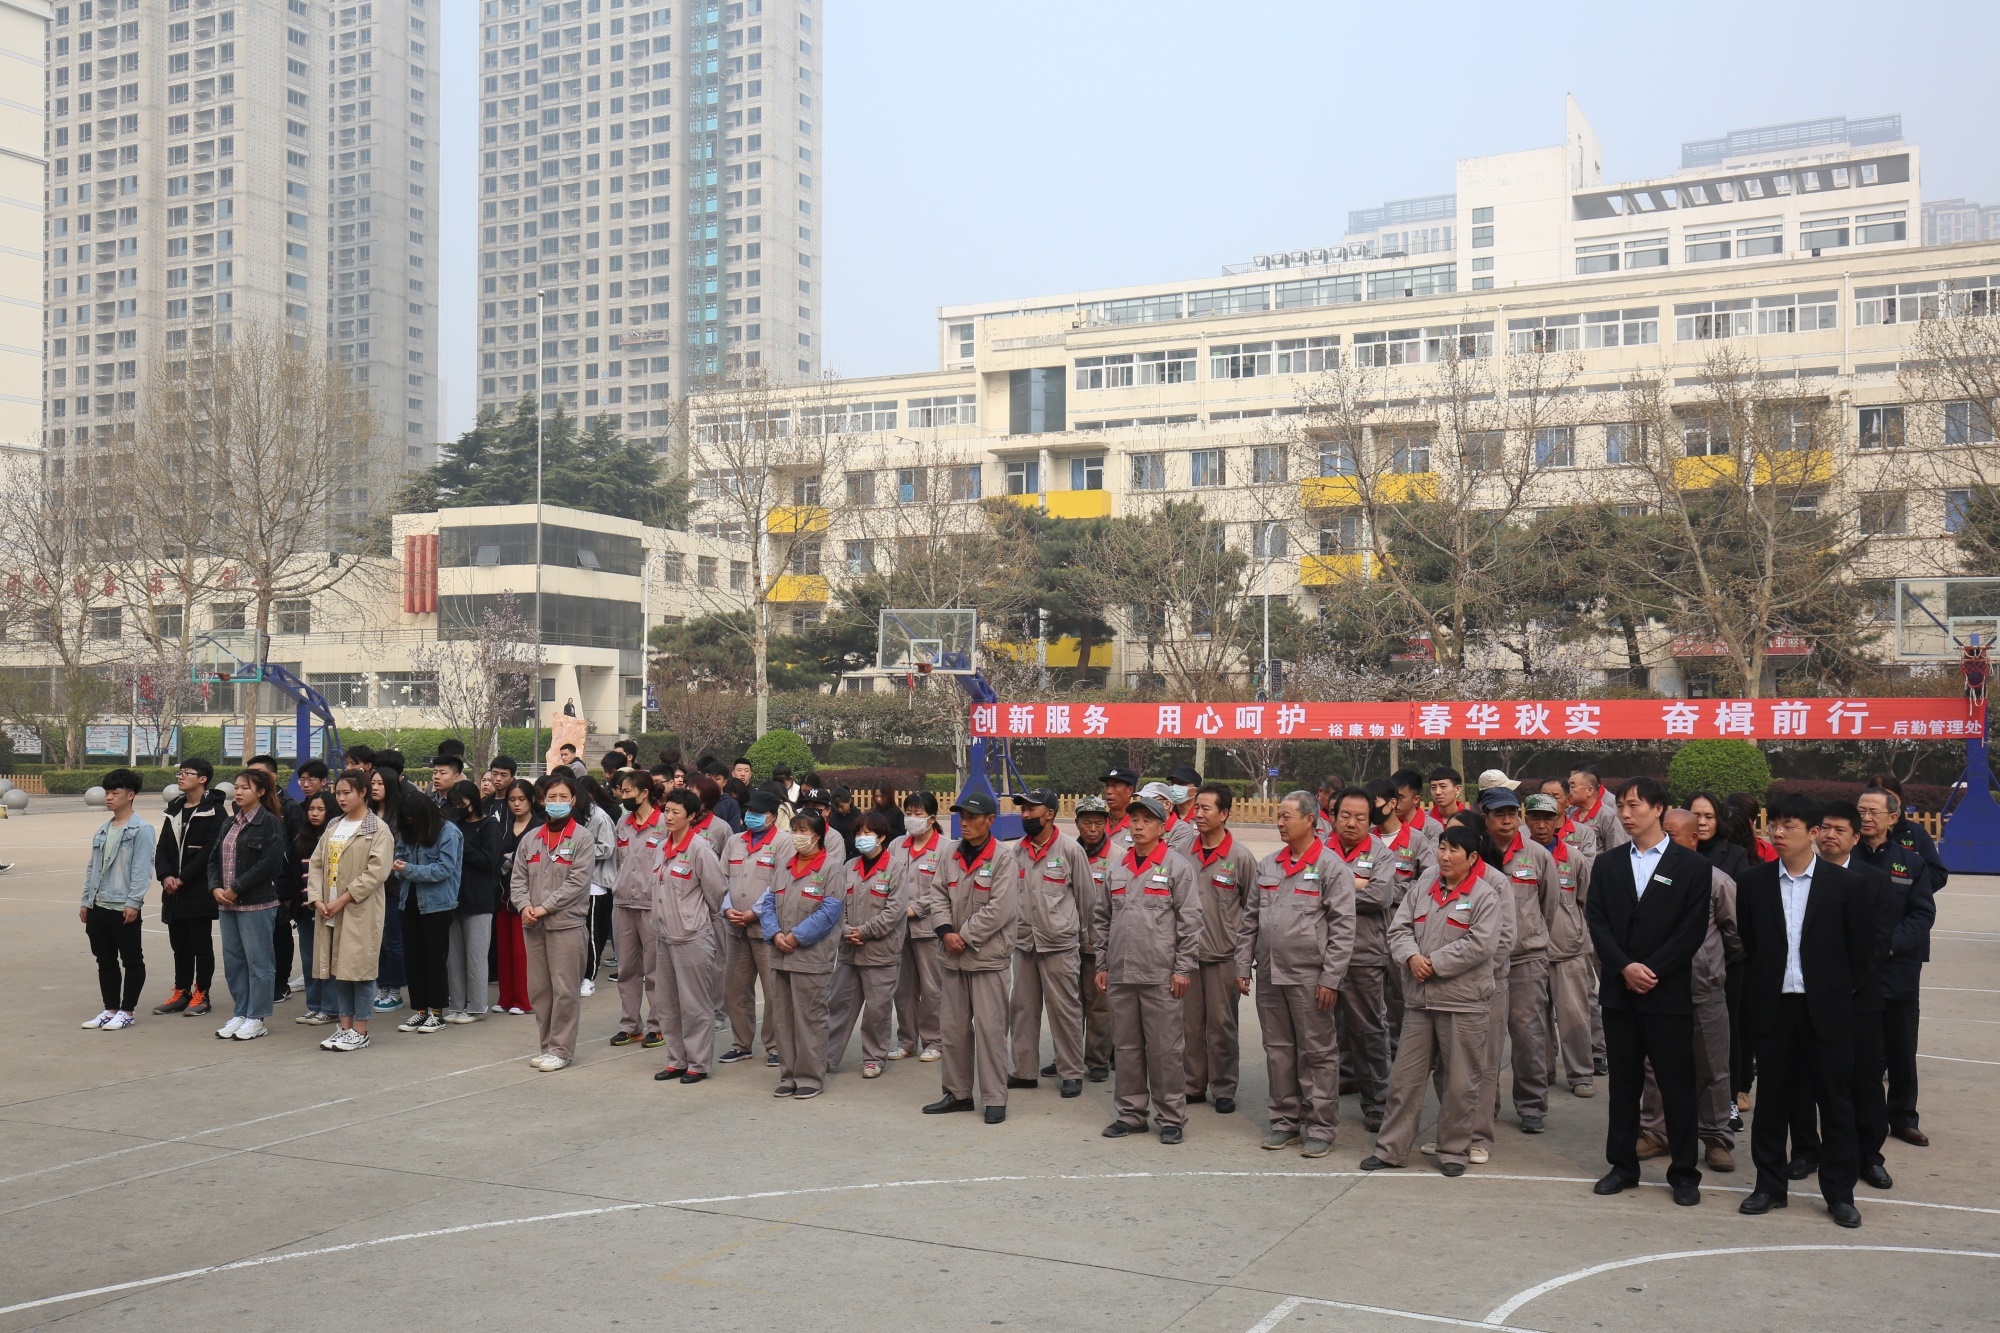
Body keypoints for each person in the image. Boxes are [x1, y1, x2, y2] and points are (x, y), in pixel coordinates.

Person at [1735, 792, 1876, 1228]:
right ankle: (1769, 1186)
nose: (1777, 832)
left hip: (1827, 1010)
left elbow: (1861, 952)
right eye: (1773, 823)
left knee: (1835, 1105)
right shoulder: (1754, 882)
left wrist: (1834, 990)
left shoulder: (1847, 886)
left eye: (1789, 825)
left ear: (1814, 834)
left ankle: (1839, 1193)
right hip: (1775, 1007)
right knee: (1773, 1101)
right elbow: (1751, 943)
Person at [1585, 777, 1715, 1209]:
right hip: (1620, 992)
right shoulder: (1608, 864)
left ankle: (1684, 1173)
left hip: (1666, 992)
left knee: (1676, 1085)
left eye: (1635, 805)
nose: (1625, 813)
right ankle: (1622, 1166)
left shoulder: (1692, 867)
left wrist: (1652, 969)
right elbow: (1598, 922)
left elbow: (1690, 931)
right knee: (1623, 1084)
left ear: (1658, 809)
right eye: (1621, 805)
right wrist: (1623, 966)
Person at [1361, 823, 1504, 1177]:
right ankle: (1391, 1148)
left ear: (1472, 858)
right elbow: (1399, 929)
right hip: (1420, 1001)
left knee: (1460, 1082)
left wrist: (1434, 964)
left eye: (1454, 850)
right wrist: (1411, 958)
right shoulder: (1422, 887)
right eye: (1442, 847)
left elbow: (1481, 944)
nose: (1445, 856)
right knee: (1404, 1080)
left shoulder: (1486, 895)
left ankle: (1454, 1150)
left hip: (1463, 1002)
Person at [1236, 790, 1355, 1157]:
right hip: (1271, 974)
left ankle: (1320, 1127)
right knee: (1278, 1051)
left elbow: (1343, 928)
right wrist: (1242, 965)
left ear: (1310, 820)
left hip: (1310, 978)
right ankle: (1285, 1121)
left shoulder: (1332, 867)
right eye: (1278, 815)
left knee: (1317, 1053)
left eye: (1287, 816)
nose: (1280, 822)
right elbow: (1250, 919)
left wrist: (1330, 979)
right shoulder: (1269, 864)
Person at [1095, 794, 1203, 1144]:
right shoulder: (1118, 868)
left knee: (1165, 1050)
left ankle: (1171, 1117)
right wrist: (1102, 964)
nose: (1138, 826)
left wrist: (1183, 968)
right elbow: (1102, 920)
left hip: (1160, 976)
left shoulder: (1176, 867)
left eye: (1146, 820)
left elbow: (1191, 922)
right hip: (1121, 974)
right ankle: (1131, 1113)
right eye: (1134, 820)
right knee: (1125, 1048)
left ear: (1161, 828)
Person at [1640, 809, 1742, 1173]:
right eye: (1661, 834)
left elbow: (1735, 934)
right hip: (1659, 990)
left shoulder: (1716, 880)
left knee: (1713, 1066)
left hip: (1704, 990)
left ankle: (1715, 1136)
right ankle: (1655, 1131)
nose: (1665, 842)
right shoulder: (1647, 878)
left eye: (1673, 835)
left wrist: (1711, 969)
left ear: (1693, 840)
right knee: (1656, 1067)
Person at [1804, 801, 1895, 1191]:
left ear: (1856, 838)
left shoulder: (1872, 881)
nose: (1829, 835)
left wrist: (1846, 986)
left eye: (1839, 830)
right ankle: (1807, 1151)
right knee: (1805, 1080)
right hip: (1806, 998)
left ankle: (1867, 1156)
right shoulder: (1800, 875)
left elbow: (1877, 943)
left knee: (1864, 1080)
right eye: (1824, 827)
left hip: (1858, 999)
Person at [921, 792, 1020, 1124]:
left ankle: (994, 1097)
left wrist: (963, 936)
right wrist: (945, 930)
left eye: (972, 817)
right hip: (952, 957)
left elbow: (1001, 909)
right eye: (961, 816)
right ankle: (958, 1093)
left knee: (991, 1030)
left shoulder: (1004, 859)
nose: (964, 822)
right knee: (953, 1029)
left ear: (990, 820)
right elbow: (936, 894)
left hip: (986, 959)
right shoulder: (949, 852)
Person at [1854, 786, 1938, 1149]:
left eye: (1874, 812)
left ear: (1893, 817)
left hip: (1897, 968)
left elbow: (1922, 914)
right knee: (1860, 1051)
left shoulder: (1910, 862)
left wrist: (1888, 945)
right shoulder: (1842, 859)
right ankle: (1858, 1118)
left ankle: (1903, 1117)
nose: (1867, 818)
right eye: (1861, 811)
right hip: (1853, 971)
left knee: (1901, 1047)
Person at [1479, 785, 1561, 1139]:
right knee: (1485, 1039)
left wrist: (1530, 939)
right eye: (1500, 814)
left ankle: (1532, 1107)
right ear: (1486, 818)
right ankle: (1486, 1106)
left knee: (1528, 1036)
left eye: (1513, 814)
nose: (1508, 820)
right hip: (1484, 964)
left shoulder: (1537, 856)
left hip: (1527, 959)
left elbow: (1550, 905)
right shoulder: (1476, 854)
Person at [1004, 790, 1093, 1099]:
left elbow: (1087, 900)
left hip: (1059, 945)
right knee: (1023, 1009)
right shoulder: (1017, 851)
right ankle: (1024, 1071)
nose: (1025, 814)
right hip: (1025, 944)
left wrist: (1084, 941)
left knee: (1065, 1010)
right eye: (1023, 809)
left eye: (1032, 808)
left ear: (1050, 814)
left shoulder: (1070, 851)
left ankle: (1071, 1072)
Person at [757, 808, 847, 1099]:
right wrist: (774, 933)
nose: (797, 837)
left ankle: (810, 1076)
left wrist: (796, 937)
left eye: (803, 831)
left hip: (810, 956)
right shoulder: (783, 865)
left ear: (818, 836)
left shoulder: (831, 868)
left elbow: (830, 911)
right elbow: (768, 902)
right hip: (780, 953)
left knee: (810, 1018)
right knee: (782, 1018)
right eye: (794, 830)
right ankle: (789, 1073)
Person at [510, 773, 597, 1071]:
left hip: (566, 926)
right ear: (541, 800)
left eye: (563, 797)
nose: (557, 802)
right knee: (539, 990)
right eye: (552, 797)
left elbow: (576, 883)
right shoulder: (532, 838)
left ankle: (561, 1049)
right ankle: (546, 1045)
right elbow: (518, 878)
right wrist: (524, 906)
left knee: (565, 990)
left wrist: (544, 907)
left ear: (573, 801)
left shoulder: (582, 838)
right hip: (533, 926)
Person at [309, 770, 397, 1052]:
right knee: (339, 968)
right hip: (329, 909)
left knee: (360, 969)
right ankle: (344, 1026)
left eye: (348, 792)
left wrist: (343, 899)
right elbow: (316, 863)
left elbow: (376, 873)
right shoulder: (334, 824)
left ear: (363, 792)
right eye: (338, 793)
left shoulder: (377, 829)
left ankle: (360, 1029)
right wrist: (318, 899)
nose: (342, 798)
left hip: (359, 909)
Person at [1324, 786, 1393, 1133]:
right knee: (1323, 1031)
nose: (1352, 823)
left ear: (1370, 821)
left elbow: (1381, 895)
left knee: (1369, 1031)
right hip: (1323, 957)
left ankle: (1377, 1103)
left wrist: (1334, 889)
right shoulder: (1320, 849)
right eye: (1345, 816)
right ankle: (1320, 1102)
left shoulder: (1381, 853)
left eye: (1361, 817)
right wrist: (1356, 884)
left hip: (1364, 955)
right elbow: (1308, 894)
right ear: (1334, 817)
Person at [650, 788, 728, 1084]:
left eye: (675, 812)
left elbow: (717, 892)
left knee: (695, 1004)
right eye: (666, 810)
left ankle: (698, 1063)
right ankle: (676, 1060)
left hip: (692, 938)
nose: (668, 817)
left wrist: (692, 918)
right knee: (667, 1003)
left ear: (692, 816)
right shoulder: (661, 848)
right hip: (663, 936)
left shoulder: (700, 850)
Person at [207, 769, 291, 1041]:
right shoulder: (229, 823)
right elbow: (213, 859)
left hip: (256, 904)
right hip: (227, 904)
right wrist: (216, 887)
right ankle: (240, 1012)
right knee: (234, 962)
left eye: (245, 787)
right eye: (237, 786)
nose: (239, 791)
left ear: (261, 792)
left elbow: (269, 864)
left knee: (259, 963)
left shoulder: (270, 823)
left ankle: (257, 1017)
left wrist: (235, 889)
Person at [825, 809, 908, 1080]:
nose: (862, 838)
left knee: (877, 1010)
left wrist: (865, 932)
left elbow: (895, 910)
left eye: (868, 833)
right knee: (839, 1006)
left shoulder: (895, 868)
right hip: (849, 951)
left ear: (881, 837)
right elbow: (837, 904)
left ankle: (874, 1057)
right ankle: (827, 1056)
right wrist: (848, 930)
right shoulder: (848, 867)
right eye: (858, 833)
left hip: (880, 952)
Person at [1526, 792, 1596, 1099]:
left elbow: (1587, 901)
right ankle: (1543, 1069)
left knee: (1574, 1015)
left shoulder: (1574, 858)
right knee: (1535, 1017)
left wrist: (1583, 942)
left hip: (1568, 949)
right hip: (1530, 951)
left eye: (1548, 818)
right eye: (1535, 818)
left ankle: (1581, 1073)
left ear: (1558, 821)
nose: (1541, 825)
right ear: (1525, 819)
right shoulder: (1518, 857)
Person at [719, 790, 795, 1067]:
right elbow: (722, 878)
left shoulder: (784, 843)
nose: (750, 816)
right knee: (735, 989)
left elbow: (779, 884)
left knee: (774, 991)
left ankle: (775, 1045)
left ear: (773, 816)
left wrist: (754, 912)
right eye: (749, 811)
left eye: (758, 813)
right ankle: (741, 1044)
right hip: (735, 927)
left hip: (766, 929)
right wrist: (728, 908)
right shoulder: (735, 841)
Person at [79, 768, 156, 1030]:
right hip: (98, 905)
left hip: (122, 906)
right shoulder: (103, 829)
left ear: (131, 795)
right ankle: (109, 1008)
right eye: (107, 792)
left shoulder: (141, 829)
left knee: (132, 960)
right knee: (105, 961)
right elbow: (92, 867)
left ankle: (127, 1011)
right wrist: (86, 901)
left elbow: (142, 869)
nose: (109, 797)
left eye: (115, 792)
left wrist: (133, 902)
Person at [153, 758, 227, 1016]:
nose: (181, 776)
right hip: (173, 890)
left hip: (198, 889)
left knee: (200, 945)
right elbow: (162, 848)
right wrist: (165, 877)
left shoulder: (215, 811)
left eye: (187, 773)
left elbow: (210, 852)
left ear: (203, 779)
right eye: (180, 772)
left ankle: (202, 993)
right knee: (179, 945)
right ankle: (181, 991)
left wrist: (183, 877)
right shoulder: (174, 809)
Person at [389, 783, 463, 1035]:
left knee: (435, 959)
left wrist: (407, 870)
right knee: (414, 959)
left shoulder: (448, 833)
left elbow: (444, 869)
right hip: (409, 902)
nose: (410, 823)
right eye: (406, 820)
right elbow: (399, 855)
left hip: (437, 905)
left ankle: (437, 1012)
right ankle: (419, 1010)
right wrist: (399, 866)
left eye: (413, 819)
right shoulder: (409, 832)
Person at [609, 769, 668, 1049]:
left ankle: (658, 1025)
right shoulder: (622, 823)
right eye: (622, 791)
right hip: (623, 904)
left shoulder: (665, 824)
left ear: (645, 793)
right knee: (627, 969)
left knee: (655, 970)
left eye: (629, 791)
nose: (624, 795)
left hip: (651, 905)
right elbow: (619, 862)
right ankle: (630, 1025)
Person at [892, 791, 947, 1065]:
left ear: (932, 818)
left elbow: (944, 887)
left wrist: (916, 908)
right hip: (898, 929)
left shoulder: (945, 848)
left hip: (928, 929)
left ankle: (935, 1040)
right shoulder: (896, 846)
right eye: (909, 813)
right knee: (903, 989)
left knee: (932, 988)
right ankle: (906, 1040)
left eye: (918, 814)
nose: (912, 819)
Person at [444, 780, 502, 1023]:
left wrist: (462, 848)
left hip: (479, 899)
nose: (459, 807)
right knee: (454, 957)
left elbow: (490, 860)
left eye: (462, 803)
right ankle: (457, 1004)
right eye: (454, 804)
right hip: (454, 898)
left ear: (473, 800)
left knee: (476, 955)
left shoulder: (489, 825)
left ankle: (477, 1007)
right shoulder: (455, 824)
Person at [1071, 795, 1115, 1081]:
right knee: (1070, 1004)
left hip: (1101, 943)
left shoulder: (1119, 856)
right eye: (1086, 822)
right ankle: (1069, 1058)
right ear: (1077, 823)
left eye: (1098, 823)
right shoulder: (1067, 852)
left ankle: (1097, 1060)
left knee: (1099, 1005)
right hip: (1068, 943)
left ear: (1106, 824)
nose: (1092, 828)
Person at [290, 790, 342, 1025]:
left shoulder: (336, 838)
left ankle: (331, 1007)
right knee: (310, 960)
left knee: (328, 961)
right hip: (305, 910)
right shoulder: (299, 839)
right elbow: (291, 874)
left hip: (329, 909)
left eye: (320, 809)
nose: (314, 813)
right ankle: (314, 1005)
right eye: (311, 808)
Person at [1866, 772, 1950, 896]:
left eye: (1891, 799)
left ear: (1900, 800)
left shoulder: (1916, 833)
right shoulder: (1854, 832)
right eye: (1879, 799)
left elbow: (1938, 874)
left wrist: (1910, 890)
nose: (1886, 804)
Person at [495, 779, 539, 1016]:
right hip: (503, 893)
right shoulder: (504, 825)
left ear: (531, 800)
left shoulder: (539, 827)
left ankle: (524, 1000)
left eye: (521, 799)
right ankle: (506, 998)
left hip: (528, 896)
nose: (516, 804)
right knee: (504, 949)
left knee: (522, 951)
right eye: (512, 800)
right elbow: (496, 856)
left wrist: (511, 859)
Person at [577, 774, 619, 997]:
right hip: (578, 882)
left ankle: (588, 977)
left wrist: (579, 851)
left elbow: (607, 848)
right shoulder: (578, 815)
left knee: (592, 933)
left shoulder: (599, 817)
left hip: (596, 883)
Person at [1569, 765, 1627, 854]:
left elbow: (1616, 852)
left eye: (1572, 787)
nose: (1568, 791)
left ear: (1590, 790)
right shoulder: (1571, 814)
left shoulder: (1608, 816)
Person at [1101, 767, 1139, 848]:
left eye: (1115, 786)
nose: (1109, 791)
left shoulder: (1138, 825)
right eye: (1107, 786)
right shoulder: (1099, 823)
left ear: (1129, 791)